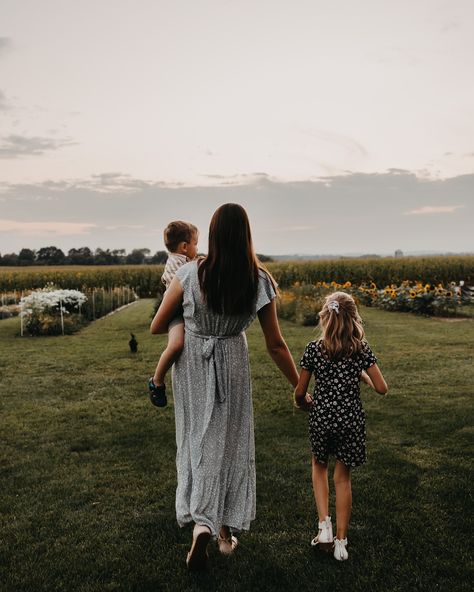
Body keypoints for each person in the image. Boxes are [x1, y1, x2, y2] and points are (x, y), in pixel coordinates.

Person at [150, 203, 299, 570]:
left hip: (193, 365)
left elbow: (156, 325)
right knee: (230, 441)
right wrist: (299, 387)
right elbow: (276, 344)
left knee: (197, 439)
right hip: (231, 358)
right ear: (245, 234)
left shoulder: (187, 273)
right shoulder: (258, 279)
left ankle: (201, 522)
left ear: (213, 234)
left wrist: (186, 319)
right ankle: (225, 530)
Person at [294, 291, 388, 561]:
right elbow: (382, 387)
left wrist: (302, 402)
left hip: (322, 417)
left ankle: (324, 525)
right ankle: (341, 544)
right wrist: (361, 375)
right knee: (343, 478)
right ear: (352, 319)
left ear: (326, 317)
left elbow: (301, 391)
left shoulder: (314, 349)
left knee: (319, 466)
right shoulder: (360, 350)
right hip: (350, 420)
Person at [148, 221, 199, 407]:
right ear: (184, 247)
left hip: (185, 309)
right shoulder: (175, 264)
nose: (197, 248)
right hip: (175, 311)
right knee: (176, 344)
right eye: (195, 243)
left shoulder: (186, 261)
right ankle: (157, 380)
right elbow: (180, 285)